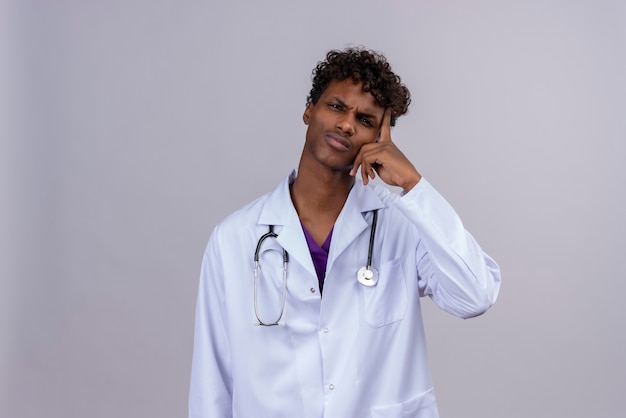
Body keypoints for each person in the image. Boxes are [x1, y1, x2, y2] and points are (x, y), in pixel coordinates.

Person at [189, 47, 501, 418]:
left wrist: (412, 184)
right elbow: (213, 381)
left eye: (366, 119)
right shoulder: (234, 238)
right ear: (309, 110)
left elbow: (475, 295)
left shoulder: (403, 226)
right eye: (336, 107)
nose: (347, 124)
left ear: (379, 138)